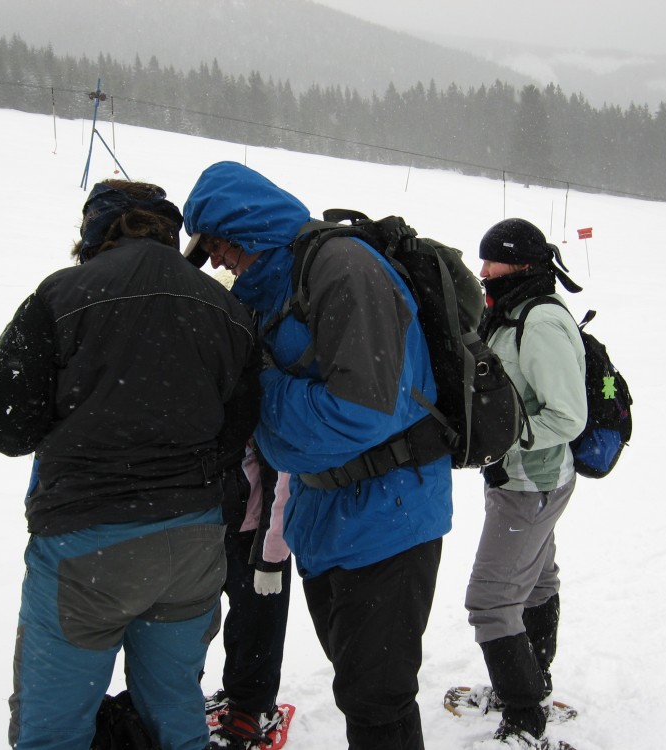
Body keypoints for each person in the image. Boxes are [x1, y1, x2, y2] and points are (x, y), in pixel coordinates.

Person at [0, 179, 261, 750]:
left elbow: (4, 423)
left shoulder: (62, 295)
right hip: (193, 544)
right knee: (175, 713)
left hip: (87, 547)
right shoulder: (225, 308)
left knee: (53, 731)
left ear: (94, 232)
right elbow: (239, 425)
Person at [182, 161, 453, 750]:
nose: (218, 261)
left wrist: (261, 393)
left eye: (219, 246)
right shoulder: (267, 291)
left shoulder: (343, 268)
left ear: (244, 229)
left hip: (391, 516)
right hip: (326, 517)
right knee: (359, 688)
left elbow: (362, 410)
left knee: (377, 700)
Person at [464, 218, 586, 748]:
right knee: (536, 580)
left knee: (490, 600)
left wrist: (506, 438)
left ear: (519, 264)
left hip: (531, 484)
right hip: (519, 479)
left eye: (491, 260)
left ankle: (524, 718)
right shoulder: (509, 313)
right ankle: (534, 681)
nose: (483, 269)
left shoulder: (540, 322)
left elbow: (568, 416)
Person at [206, 440, 292, 749]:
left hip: (254, 525)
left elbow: (280, 466)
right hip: (195, 522)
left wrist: (272, 541)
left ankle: (252, 706)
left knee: (257, 621)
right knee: (188, 623)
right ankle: (177, 699)